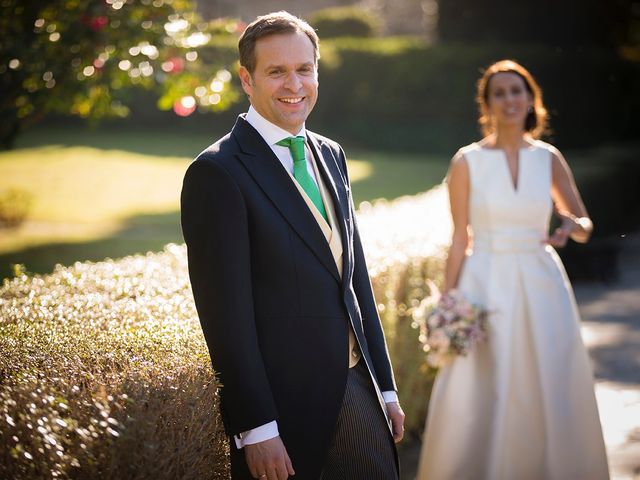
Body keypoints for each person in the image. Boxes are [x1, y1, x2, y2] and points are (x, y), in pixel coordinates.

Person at [181, 11, 404, 480]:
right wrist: (256, 427)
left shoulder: (330, 154)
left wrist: (385, 387)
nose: (294, 84)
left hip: (354, 381)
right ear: (247, 78)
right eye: (276, 71)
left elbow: (355, 278)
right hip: (282, 405)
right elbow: (225, 317)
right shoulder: (217, 173)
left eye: (304, 69)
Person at [417, 60, 609, 479]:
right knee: (487, 380)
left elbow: (583, 223)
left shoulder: (549, 158)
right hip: (485, 280)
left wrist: (571, 226)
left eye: (516, 91)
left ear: (530, 100)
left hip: (543, 282)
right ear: (486, 104)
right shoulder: (466, 161)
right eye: (499, 93)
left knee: (549, 374)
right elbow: (459, 239)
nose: (509, 99)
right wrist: (446, 305)